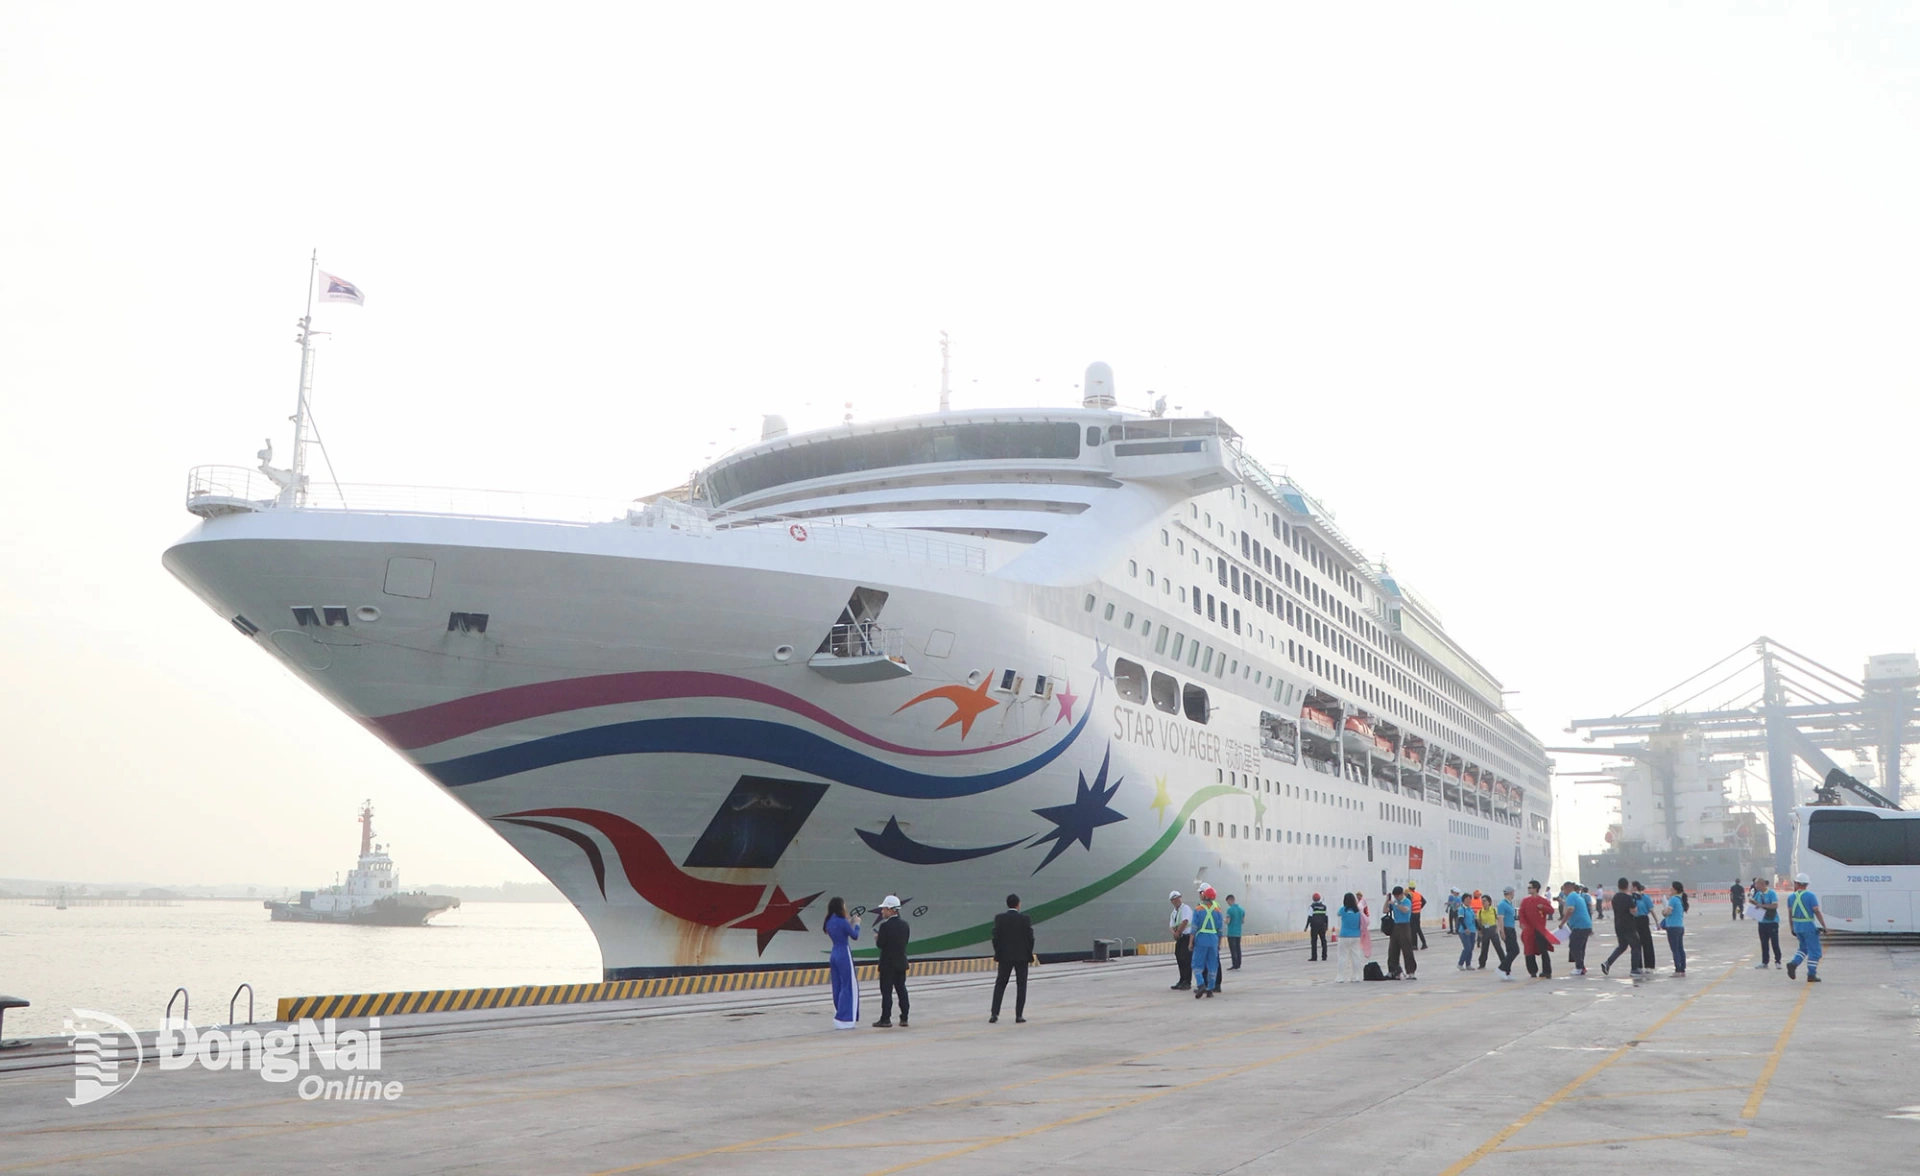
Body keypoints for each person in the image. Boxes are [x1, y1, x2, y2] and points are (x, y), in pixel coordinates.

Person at [989, 893, 1034, 1023]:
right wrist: (1028, 952)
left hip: (1005, 957)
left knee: (1000, 984)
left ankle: (994, 1014)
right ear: (1018, 904)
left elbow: (995, 938)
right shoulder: (1025, 919)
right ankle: (1019, 1015)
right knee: (1021, 985)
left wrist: (999, 952)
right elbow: (1030, 938)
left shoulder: (999, 918)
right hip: (1022, 957)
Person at [871, 895, 911, 1027]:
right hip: (901, 963)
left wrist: (877, 938)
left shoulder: (885, 926)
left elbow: (881, 945)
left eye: (884, 909)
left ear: (890, 909)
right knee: (901, 990)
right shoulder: (905, 925)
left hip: (887, 964)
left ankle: (885, 1019)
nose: (882, 911)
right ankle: (904, 1017)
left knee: (886, 993)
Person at [823, 896, 861, 1030]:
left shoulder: (829, 921)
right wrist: (856, 924)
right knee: (849, 985)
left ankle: (838, 1013)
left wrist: (848, 923)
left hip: (834, 952)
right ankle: (846, 1018)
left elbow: (839, 931)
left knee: (837, 985)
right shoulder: (842, 921)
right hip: (844, 952)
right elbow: (854, 936)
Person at [1784, 873, 1828, 983]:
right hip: (1808, 926)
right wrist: (1824, 926)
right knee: (1815, 951)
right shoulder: (1810, 896)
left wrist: (1792, 928)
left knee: (1803, 948)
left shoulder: (1791, 897)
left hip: (1797, 926)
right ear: (1807, 884)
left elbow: (1790, 914)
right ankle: (1811, 974)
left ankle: (1794, 963)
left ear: (1796, 883)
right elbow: (1816, 911)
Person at [1601, 877, 1641, 975]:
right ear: (1627, 886)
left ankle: (1608, 963)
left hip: (1618, 925)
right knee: (1636, 946)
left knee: (1622, 946)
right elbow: (1633, 912)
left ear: (1618, 886)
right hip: (1628, 925)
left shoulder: (1615, 898)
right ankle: (1634, 969)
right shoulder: (1628, 898)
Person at [1190, 887, 1224, 998]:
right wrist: (1219, 943)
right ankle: (1210, 990)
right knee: (1212, 965)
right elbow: (1220, 929)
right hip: (1213, 939)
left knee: (1197, 964)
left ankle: (1201, 984)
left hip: (1201, 938)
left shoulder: (1198, 909)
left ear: (1204, 896)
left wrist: (1191, 942)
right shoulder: (1218, 910)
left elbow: (1194, 928)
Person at [1518, 880, 1555, 979]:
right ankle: (1532, 971)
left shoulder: (1542, 901)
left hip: (1540, 929)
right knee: (1528, 951)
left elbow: (1551, 910)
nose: (1528, 889)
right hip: (1528, 930)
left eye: (1530, 887)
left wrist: (1543, 907)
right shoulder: (1525, 901)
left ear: (1535, 889)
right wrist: (1522, 923)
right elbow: (1521, 913)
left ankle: (1547, 971)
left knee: (1543, 950)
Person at [1558, 881, 1593, 976]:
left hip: (1579, 926)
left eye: (1564, 889)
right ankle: (1582, 967)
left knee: (1574, 946)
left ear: (1567, 888)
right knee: (1581, 947)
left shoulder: (1571, 896)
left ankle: (1579, 967)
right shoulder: (1577, 896)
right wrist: (1561, 902)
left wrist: (1562, 922)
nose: (1563, 892)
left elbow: (1570, 909)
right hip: (1586, 925)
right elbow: (1570, 905)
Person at [1387, 886, 1417, 979]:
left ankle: (1411, 971)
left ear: (1401, 894)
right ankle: (1394, 971)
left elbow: (1405, 910)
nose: (1396, 898)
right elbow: (1385, 910)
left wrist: (1395, 904)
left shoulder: (1406, 901)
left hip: (1404, 926)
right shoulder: (1395, 901)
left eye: (1397, 896)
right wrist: (1387, 901)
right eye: (1394, 896)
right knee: (1393, 950)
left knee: (1407, 949)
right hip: (1395, 926)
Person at [1752, 876, 1782, 969]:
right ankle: (1764, 962)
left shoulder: (1771, 893)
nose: (1755, 886)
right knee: (1764, 943)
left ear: (1762, 884)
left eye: (1757, 884)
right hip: (1762, 921)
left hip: (1772, 921)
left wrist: (1762, 905)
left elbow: (1774, 905)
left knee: (1775, 943)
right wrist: (1753, 903)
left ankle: (1778, 961)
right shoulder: (1758, 894)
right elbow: (1756, 903)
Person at [1334, 893, 1365, 982]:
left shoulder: (1343, 910)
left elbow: (1338, 914)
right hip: (1356, 936)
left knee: (1342, 957)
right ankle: (1357, 976)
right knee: (1356, 956)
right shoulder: (1358, 911)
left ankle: (1340, 977)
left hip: (1344, 936)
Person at [1632, 881, 1660, 970]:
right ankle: (1638, 965)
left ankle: (1650, 965)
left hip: (1643, 919)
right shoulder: (1631, 898)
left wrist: (1657, 922)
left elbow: (1651, 910)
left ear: (1635, 887)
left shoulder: (1645, 898)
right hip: (1634, 921)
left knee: (1647, 943)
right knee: (1636, 944)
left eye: (1631, 887)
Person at [1662, 881, 1687, 977]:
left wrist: (1663, 911)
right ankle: (1682, 968)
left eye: (1671, 889)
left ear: (1675, 890)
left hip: (1672, 927)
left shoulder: (1673, 899)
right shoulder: (1680, 899)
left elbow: (1667, 912)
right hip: (1680, 927)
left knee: (1675, 949)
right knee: (1680, 948)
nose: (1670, 890)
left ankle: (1677, 969)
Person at [1168, 891, 1193, 990]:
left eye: (1177, 898)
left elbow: (1185, 921)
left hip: (1186, 937)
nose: (1176, 901)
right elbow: (1171, 925)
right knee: (1179, 958)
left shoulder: (1185, 908)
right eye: (1173, 899)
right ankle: (1182, 979)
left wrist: (1177, 932)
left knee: (1186, 959)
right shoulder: (1174, 912)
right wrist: (1174, 933)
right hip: (1180, 938)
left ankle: (1187, 982)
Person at [1475, 891, 1500, 969]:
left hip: (1493, 929)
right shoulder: (1480, 912)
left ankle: (1504, 961)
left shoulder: (1494, 910)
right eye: (1482, 901)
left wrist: (1498, 928)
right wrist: (1479, 931)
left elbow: (1499, 919)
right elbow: (1478, 922)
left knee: (1498, 947)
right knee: (1484, 948)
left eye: (1485, 901)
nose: (1483, 902)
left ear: (1489, 902)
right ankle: (1482, 963)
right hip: (1485, 930)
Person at [1455, 893, 1478, 970]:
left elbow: (1475, 920)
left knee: (1471, 948)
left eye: (1470, 899)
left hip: (1472, 930)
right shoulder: (1462, 909)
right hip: (1464, 932)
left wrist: (1479, 930)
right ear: (1463, 900)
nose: (1469, 901)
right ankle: (1460, 963)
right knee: (1467, 948)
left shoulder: (1471, 909)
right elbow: (1461, 919)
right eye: (1467, 899)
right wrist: (1465, 928)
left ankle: (1468, 964)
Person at [1305, 893, 1329, 962]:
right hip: (1322, 926)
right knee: (1323, 941)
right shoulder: (1324, 907)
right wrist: (1327, 926)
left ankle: (1314, 957)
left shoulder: (1312, 907)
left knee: (1314, 941)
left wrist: (1306, 927)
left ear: (1313, 899)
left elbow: (1309, 917)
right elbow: (1326, 917)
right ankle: (1324, 956)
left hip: (1314, 926)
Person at [1225, 894, 1247, 970]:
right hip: (1238, 932)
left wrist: (1224, 920)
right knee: (1238, 948)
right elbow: (1243, 921)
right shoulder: (1242, 909)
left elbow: (1228, 921)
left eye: (1228, 902)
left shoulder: (1229, 910)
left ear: (1230, 900)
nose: (1228, 903)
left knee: (1233, 949)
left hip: (1231, 933)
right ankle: (1238, 964)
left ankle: (1234, 964)